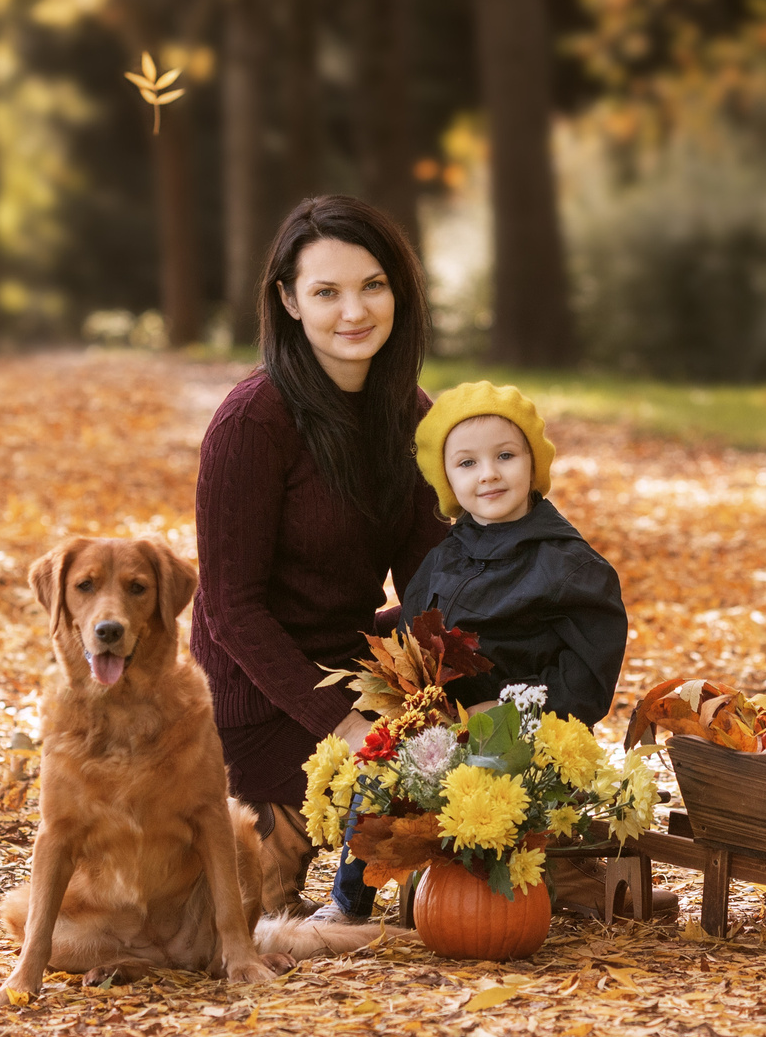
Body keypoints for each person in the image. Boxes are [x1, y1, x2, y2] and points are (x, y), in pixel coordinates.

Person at [190, 196, 449, 923]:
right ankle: (300, 854)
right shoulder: (252, 422)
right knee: (257, 902)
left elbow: (431, 582)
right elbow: (230, 609)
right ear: (288, 300)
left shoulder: (410, 415)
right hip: (257, 696)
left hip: (352, 663)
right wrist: (343, 726)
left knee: (484, 682)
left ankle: (513, 859)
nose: (353, 310)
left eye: (372, 284)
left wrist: (458, 689)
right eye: (326, 291)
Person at [397, 382, 627, 728]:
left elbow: (588, 681)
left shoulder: (570, 568)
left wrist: (507, 707)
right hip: (443, 740)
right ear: (447, 480)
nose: (488, 473)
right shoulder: (443, 558)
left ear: (533, 465)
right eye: (467, 463)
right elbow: (408, 645)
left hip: (534, 747)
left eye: (505, 456)